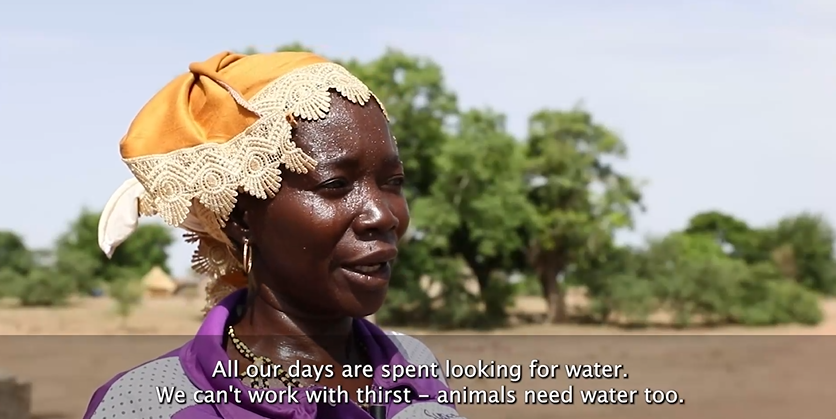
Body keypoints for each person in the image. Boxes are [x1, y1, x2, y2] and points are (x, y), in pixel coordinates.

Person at [85, 51, 463, 419]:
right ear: (242, 219)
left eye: (393, 182)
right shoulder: (149, 405)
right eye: (335, 184)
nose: (383, 215)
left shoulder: (412, 368)